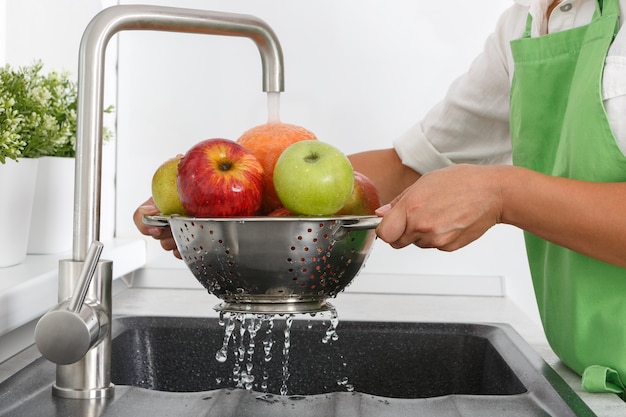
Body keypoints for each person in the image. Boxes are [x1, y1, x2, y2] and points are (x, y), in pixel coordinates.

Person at [134, 0, 626, 396]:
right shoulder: (527, 22)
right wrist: (244, 204)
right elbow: (410, 163)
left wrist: (503, 192)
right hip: (591, 376)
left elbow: (484, 186)